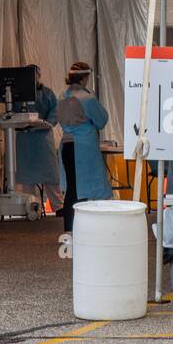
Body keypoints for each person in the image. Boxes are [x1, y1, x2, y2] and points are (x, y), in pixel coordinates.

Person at [56, 62, 112, 231]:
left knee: (72, 189)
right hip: (84, 147)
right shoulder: (87, 98)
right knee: (89, 189)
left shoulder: (62, 96)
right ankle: (92, 228)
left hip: (66, 145)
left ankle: (70, 228)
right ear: (85, 78)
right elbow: (101, 120)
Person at [14, 65, 62, 214]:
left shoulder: (47, 93)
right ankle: (31, 208)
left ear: (39, 76)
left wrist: (46, 123)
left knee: (50, 174)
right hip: (25, 138)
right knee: (27, 178)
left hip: (43, 138)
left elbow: (55, 111)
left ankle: (58, 206)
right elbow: (13, 111)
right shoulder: (17, 94)